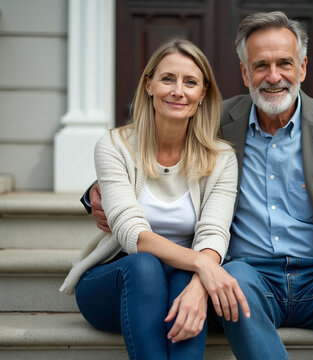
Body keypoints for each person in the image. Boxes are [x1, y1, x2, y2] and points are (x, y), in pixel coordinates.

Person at [85, 11, 313, 360]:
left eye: (284, 64)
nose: (273, 77)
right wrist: (96, 190)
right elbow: (154, 150)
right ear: (245, 73)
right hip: (249, 277)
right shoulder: (215, 123)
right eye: (261, 65)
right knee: (236, 277)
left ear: (302, 68)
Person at [60, 39, 249, 360]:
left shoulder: (221, 159)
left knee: (185, 281)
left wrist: (200, 277)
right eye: (167, 79)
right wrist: (204, 264)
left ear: (203, 94)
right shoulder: (114, 145)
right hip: (115, 280)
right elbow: (130, 232)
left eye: (190, 82)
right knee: (146, 265)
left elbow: (214, 232)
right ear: (148, 85)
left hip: (181, 277)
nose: (178, 91)